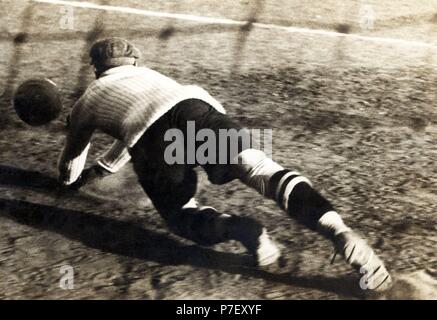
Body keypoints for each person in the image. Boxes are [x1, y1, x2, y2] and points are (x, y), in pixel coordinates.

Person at [58, 37, 392, 292]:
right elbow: (140, 120)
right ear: (133, 62)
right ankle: (339, 231)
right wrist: (107, 166)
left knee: (180, 214)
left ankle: (243, 231)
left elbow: (82, 150)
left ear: (96, 68)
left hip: (152, 142)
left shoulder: (90, 98)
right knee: (265, 173)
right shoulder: (150, 76)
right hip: (196, 110)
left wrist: (70, 180)